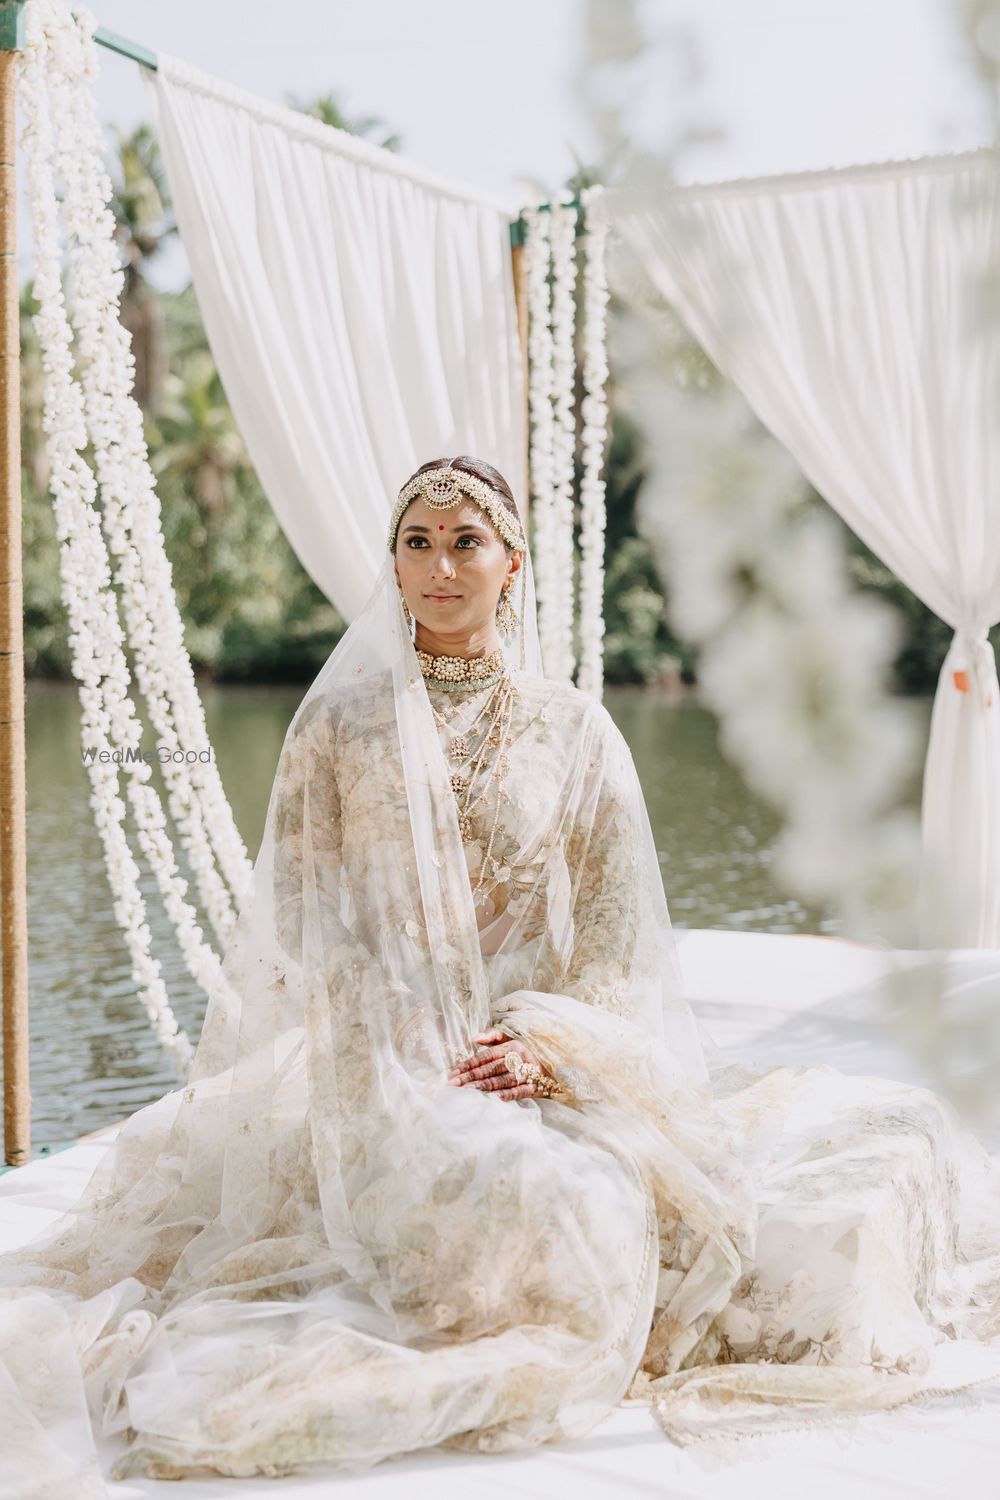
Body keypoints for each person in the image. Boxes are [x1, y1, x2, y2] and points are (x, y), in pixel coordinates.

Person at [1, 455, 999, 1493]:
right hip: (377, 1062)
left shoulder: (573, 733)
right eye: (417, 544)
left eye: (465, 543)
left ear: (510, 563)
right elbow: (299, 908)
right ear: (393, 564)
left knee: (580, 1207)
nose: (440, 568)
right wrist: (384, 1020)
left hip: (528, 1056)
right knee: (489, 1208)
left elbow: (616, 941)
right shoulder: (340, 727)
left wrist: (542, 1049)